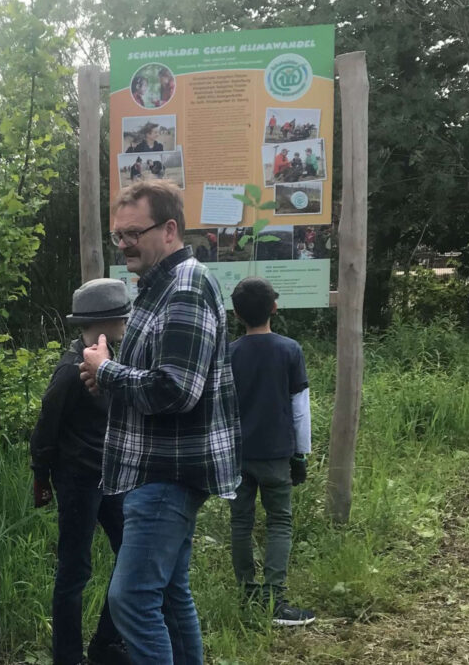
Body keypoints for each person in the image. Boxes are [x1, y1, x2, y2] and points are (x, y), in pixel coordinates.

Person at [79, 180, 241, 664]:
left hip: (166, 473)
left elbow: (176, 389)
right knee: (169, 593)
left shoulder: (185, 287)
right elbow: (153, 378)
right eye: (118, 235)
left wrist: (108, 372)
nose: (124, 244)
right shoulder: (159, 287)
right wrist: (107, 379)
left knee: (131, 598)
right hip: (160, 468)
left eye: (134, 233)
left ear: (170, 230)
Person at [30, 278, 133, 665]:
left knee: (131, 555)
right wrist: (42, 475)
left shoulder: (112, 362)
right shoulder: (70, 371)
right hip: (78, 480)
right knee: (75, 569)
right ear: (104, 321)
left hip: (113, 477)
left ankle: (106, 643)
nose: (126, 322)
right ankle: (68, 657)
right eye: (121, 316)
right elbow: (46, 426)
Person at [228, 278, 315, 626]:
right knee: (279, 521)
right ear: (274, 308)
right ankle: (275, 600)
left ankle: (247, 594)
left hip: (238, 455)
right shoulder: (290, 350)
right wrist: (301, 454)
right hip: (277, 453)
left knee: (240, 522)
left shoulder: (229, 353)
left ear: (236, 314)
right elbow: (300, 409)